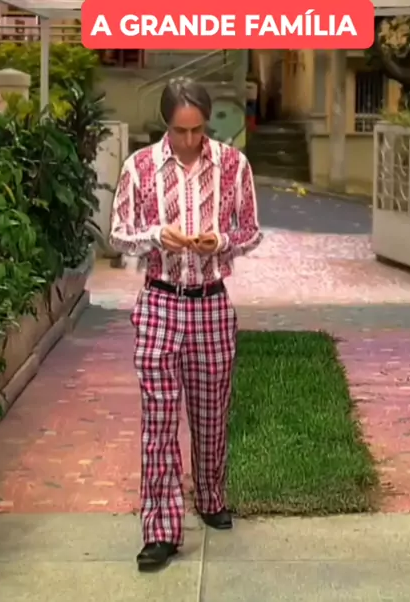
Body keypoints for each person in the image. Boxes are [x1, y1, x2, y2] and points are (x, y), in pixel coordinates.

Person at [109, 77, 263, 571]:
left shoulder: (234, 165)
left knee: (211, 413)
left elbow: (250, 231)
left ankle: (211, 496)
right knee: (158, 421)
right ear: (166, 124)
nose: (191, 140)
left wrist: (222, 242)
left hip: (212, 303)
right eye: (181, 131)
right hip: (160, 301)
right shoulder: (140, 167)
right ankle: (160, 530)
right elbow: (119, 235)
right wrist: (157, 235)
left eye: (198, 130)